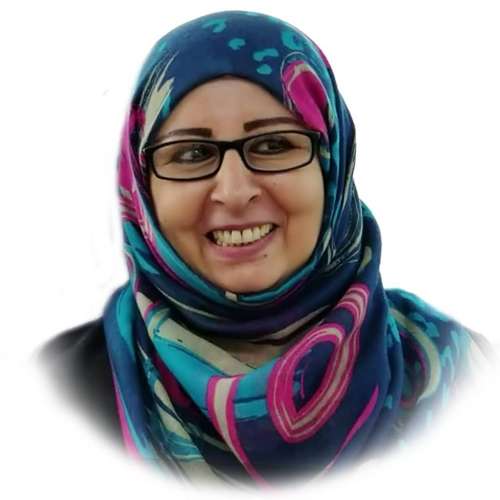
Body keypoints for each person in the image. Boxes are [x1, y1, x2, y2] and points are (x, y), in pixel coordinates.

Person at [39, 9, 493, 490]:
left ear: (332, 165)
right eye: (191, 154)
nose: (234, 192)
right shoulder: (55, 394)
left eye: (274, 145)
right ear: (141, 185)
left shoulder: (467, 380)